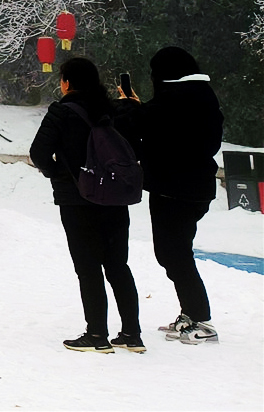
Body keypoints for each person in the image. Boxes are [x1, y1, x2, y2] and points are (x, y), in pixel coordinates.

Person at [30, 57, 144, 354]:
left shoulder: (61, 112)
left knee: (88, 267)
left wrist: (61, 175)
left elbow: (38, 153)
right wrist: (132, 105)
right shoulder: (113, 111)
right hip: (114, 198)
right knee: (118, 265)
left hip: (77, 200)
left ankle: (96, 335)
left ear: (66, 82)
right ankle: (131, 334)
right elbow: (135, 146)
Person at [119, 46, 223, 345]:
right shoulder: (199, 96)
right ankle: (190, 314)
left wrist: (129, 107)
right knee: (173, 253)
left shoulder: (179, 100)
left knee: (174, 254)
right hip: (189, 188)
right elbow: (159, 124)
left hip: (177, 190)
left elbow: (147, 125)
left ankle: (201, 319)